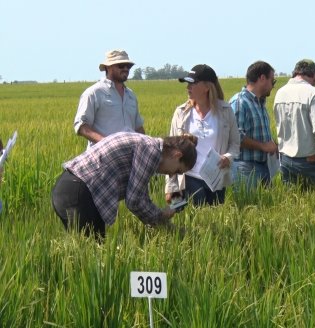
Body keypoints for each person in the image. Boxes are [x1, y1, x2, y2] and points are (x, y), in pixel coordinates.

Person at [52, 132, 198, 241]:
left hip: (75, 189)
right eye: (178, 171)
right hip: (79, 194)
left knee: (93, 252)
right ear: (177, 155)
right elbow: (134, 200)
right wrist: (161, 218)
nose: (173, 175)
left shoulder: (148, 146)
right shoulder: (151, 151)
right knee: (89, 257)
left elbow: (141, 195)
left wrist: (161, 220)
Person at [165, 64, 240, 206]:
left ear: (207, 87)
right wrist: (172, 188)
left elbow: (235, 143)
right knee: (194, 222)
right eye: (187, 83)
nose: (188, 87)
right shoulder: (181, 113)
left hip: (216, 180)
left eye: (192, 83)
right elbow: (170, 153)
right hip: (188, 178)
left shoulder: (225, 111)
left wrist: (228, 158)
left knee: (214, 222)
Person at [273, 59, 315, 190]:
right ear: (313, 75)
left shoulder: (280, 93)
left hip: (285, 160)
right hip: (310, 161)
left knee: (291, 204)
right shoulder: (314, 93)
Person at [73, 49, 145, 148]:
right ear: (109, 67)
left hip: (129, 159)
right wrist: (107, 144)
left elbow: (138, 128)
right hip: (102, 158)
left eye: (128, 66)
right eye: (121, 65)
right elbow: (81, 126)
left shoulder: (131, 95)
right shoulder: (94, 93)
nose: (125, 69)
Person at [229, 61, 278, 192]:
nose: (273, 86)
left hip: (263, 166)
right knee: (250, 205)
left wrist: (272, 145)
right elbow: (235, 137)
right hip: (244, 168)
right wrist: (263, 146)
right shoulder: (240, 102)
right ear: (262, 78)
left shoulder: (259, 102)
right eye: (272, 81)